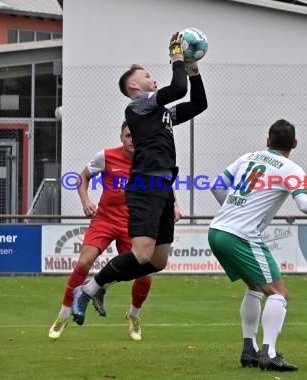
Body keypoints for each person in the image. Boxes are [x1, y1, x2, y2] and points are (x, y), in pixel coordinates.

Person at [71, 32, 207, 323]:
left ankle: (98, 284)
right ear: (134, 85)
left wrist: (193, 70)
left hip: (162, 185)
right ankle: (89, 288)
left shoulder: (160, 113)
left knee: (157, 262)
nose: (152, 78)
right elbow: (177, 89)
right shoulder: (139, 106)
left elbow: (198, 104)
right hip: (145, 184)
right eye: (146, 75)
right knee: (142, 254)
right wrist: (177, 58)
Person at [208, 119, 307, 372]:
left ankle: (249, 350)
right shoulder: (291, 169)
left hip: (217, 230)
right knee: (279, 293)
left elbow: (217, 185)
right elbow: (306, 204)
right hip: (241, 236)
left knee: (255, 287)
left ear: (268, 140)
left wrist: (233, 212)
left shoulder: (249, 157)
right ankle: (269, 354)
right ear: (295, 144)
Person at [48, 122, 182, 341]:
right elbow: (82, 177)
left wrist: (174, 204)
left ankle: (133, 315)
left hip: (134, 223)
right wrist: (86, 201)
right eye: (128, 135)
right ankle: (63, 315)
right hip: (106, 219)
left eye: (135, 135)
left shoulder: (149, 160)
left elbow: (163, 183)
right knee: (84, 262)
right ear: (121, 137)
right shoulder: (106, 156)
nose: (132, 139)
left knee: (145, 273)